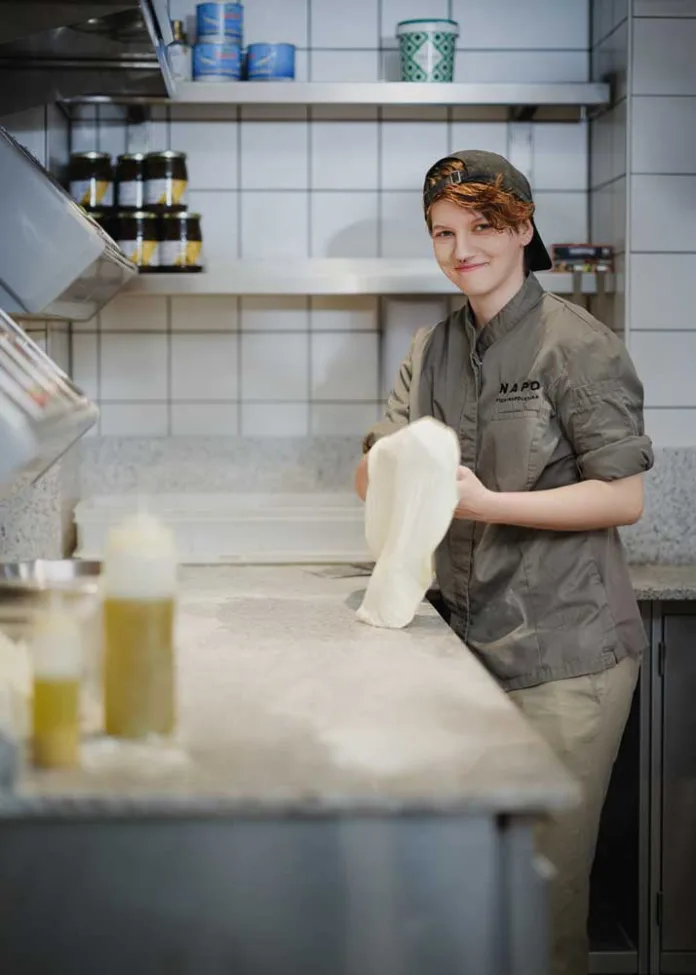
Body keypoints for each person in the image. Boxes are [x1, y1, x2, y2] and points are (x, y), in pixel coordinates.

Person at [354, 150, 654, 975]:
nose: (461, 250)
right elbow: (377, 457)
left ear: (523, 228)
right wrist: (386, 462)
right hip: (461, 657)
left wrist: (486, 502)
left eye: (482, 227)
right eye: (443, 233)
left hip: (563, 658)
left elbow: (621, 496)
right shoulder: (433, 345)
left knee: (538, 895)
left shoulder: (575, 345)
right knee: (463, 889)